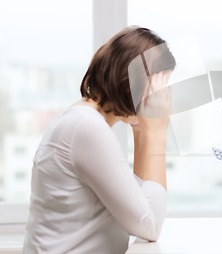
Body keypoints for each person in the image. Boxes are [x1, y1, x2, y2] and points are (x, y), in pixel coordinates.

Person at [24, 26, 176, 253]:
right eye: (159, 88)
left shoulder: (83, 122)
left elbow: (137, 203)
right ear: (135, 81)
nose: (163, 98)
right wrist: (156, 132)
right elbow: (150, 225)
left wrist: (142, 130)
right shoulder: (86, 128)